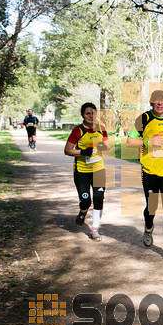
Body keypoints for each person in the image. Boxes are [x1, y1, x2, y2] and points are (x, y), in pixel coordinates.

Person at [125, 90, 163, 259]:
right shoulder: (143, 119)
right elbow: (129, 142)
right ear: (151, 103)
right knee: (152, 207)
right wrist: (147, 141)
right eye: (156, 101)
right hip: (150, 171)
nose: (160, 103)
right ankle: (148, 228)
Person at [63, 102, 111, 241]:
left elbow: (107, 146)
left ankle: (95, 230)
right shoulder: (77, 131)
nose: (91, 116)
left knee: (98, 198)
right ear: (83, 115)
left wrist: (100, 147)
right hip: (81, 170)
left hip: (98, 169)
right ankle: (83, 212)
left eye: (93, 113)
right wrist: (82, 152)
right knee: (86, 200)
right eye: (87, 113)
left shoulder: (101, 128)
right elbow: (67, 150)